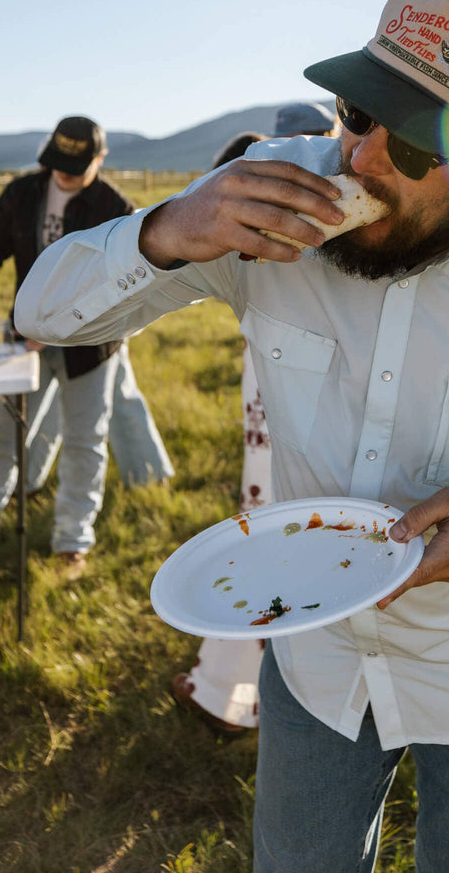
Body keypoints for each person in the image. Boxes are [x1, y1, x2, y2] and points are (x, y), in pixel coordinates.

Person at [16, 0, 449, 871]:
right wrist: (167, 231)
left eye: (416, 144)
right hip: (315, 658)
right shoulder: (268, 195)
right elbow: (43, 316)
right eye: (356, 109)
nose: (362, 158)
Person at [170, 111, 340, 734]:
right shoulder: (287, 189)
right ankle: (231, 684)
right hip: (278, 370)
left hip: (297, 372)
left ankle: (234, 685)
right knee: (270, 517)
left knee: (278, 517)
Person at [0, 115, 134, 585]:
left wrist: (62, 325)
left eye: (75, 166)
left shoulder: (116, 207)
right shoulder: (23, 192)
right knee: (0, 439)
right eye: (57, 164)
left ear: (100, 160)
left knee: (85, 441)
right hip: (25, 339)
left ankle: (72, 544)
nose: (63, 174)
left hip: (91, 346)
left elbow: (121, 286)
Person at [24, 336, 174, 493]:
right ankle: (26, 480)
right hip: (55, 329)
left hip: (98, 330)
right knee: (59, 392)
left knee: (115, 387)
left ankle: (147, 477)